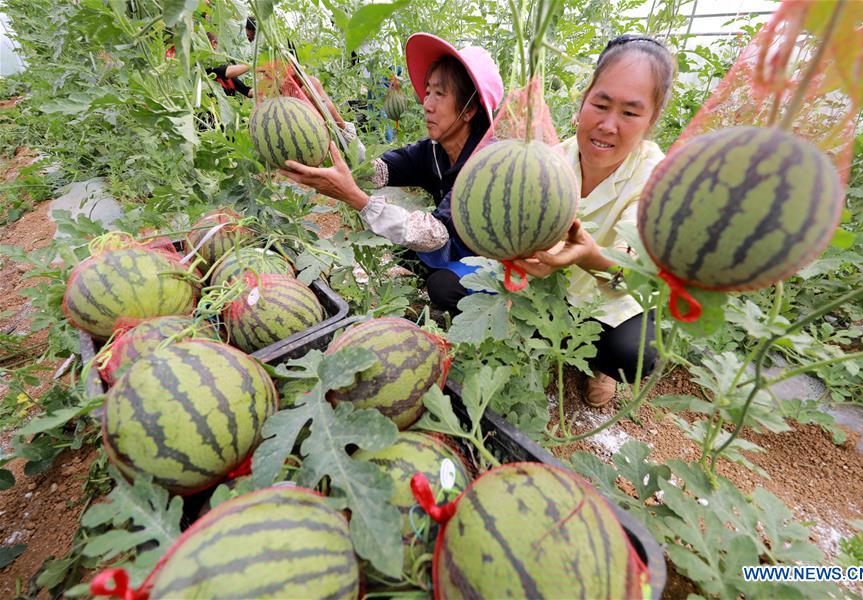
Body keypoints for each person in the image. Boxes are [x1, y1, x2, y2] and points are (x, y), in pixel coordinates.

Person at [278, 33, 504, 311]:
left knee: (441, 286)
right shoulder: (434, 150)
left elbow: (436, 234)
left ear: (468, 110)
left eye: (440, 94)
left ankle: (495, 308)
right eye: (428, 91)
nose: (427, 104)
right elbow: (374, 171)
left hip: (496, 265)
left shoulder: (487, 165)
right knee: (401, 243)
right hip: (458, 249)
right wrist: (332, 118)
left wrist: (354, 197)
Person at [512, 35, 677, 407]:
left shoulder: (658, 180)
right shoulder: (554, 159)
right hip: (554, 289)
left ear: (651, 121)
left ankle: (600, 367)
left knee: (631, 356)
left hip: (614, 295)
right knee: (452, 288)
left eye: (630, 113)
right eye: (600, 104)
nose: (607, 125)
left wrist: (586, 255)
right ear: (584, 100)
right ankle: (561, 339)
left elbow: (630, 279)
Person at [205, 33, 253, 97]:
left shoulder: (228, 76)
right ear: (214, 44)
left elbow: (248, 92)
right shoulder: (205, 67)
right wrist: (254, 64)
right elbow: (226, 72)